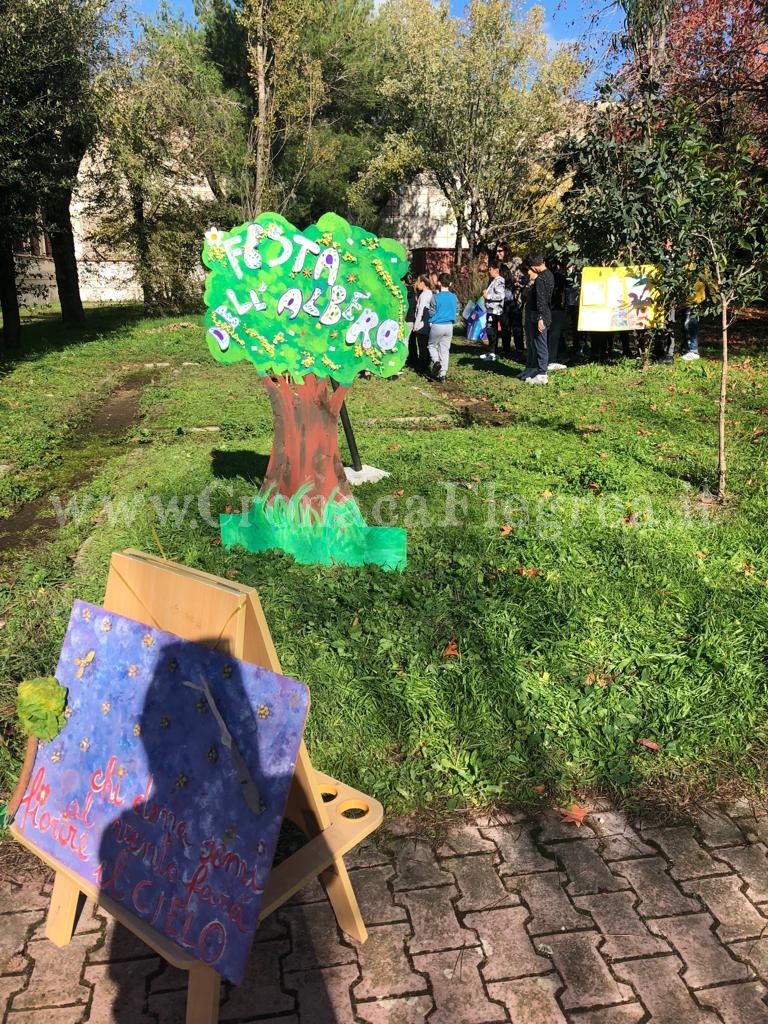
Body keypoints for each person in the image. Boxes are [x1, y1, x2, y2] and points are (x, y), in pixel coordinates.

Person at [520, 255, 554, 384]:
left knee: (540, 344)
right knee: (535, 343)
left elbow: (541, 300)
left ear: (533, 266)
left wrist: (540, 318)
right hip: (542, 314)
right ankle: (533, 368)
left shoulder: (541, 279)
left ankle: (541, 372)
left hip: (541, 315)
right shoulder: (549, 275)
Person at [428, 273, 458, 381]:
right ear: (450, 283)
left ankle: (436, 362)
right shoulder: (454, 297)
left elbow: (431, 312)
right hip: (449, 326)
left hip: (437, 325)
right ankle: (443, 374)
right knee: (445, 349)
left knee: (432, 346)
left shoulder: (435, 297)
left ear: (439, 283)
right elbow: (457, 310)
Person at [480, 260, 506, 362]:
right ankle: (491, 351)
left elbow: (501, 295)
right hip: (490, 310)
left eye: (490, 269)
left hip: (495, 311)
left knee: (492, 331)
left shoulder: (499, 280)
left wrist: (488, 296)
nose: (488, 271)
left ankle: (493, 353)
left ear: (496, 270)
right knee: (490, 331)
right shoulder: (493, 280)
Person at [546, 258, 568, 371]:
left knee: (545, 334)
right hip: (557, 308)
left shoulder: (543, 277)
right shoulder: (560, 278)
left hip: (546, 308)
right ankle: (552, 359)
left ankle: (544, 358)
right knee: (554, 336)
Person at [412, 274, 434, 371]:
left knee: (422, 346)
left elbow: (420, 311)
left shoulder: (424, 295)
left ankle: (422, 367)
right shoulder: (430, 294)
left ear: (422, 283)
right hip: (429, 323)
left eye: (418, 282)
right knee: (427, 345)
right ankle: (427, 364)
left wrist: (416, 325)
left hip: (422, 324)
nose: (416, 284)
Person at [404, 273, 418, 367]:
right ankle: (412, 359)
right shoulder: (414, 292)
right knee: (411, 340)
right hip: (412, 319)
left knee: (404, 341)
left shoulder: (402, 292)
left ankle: (403, 359)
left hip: (405, 319)